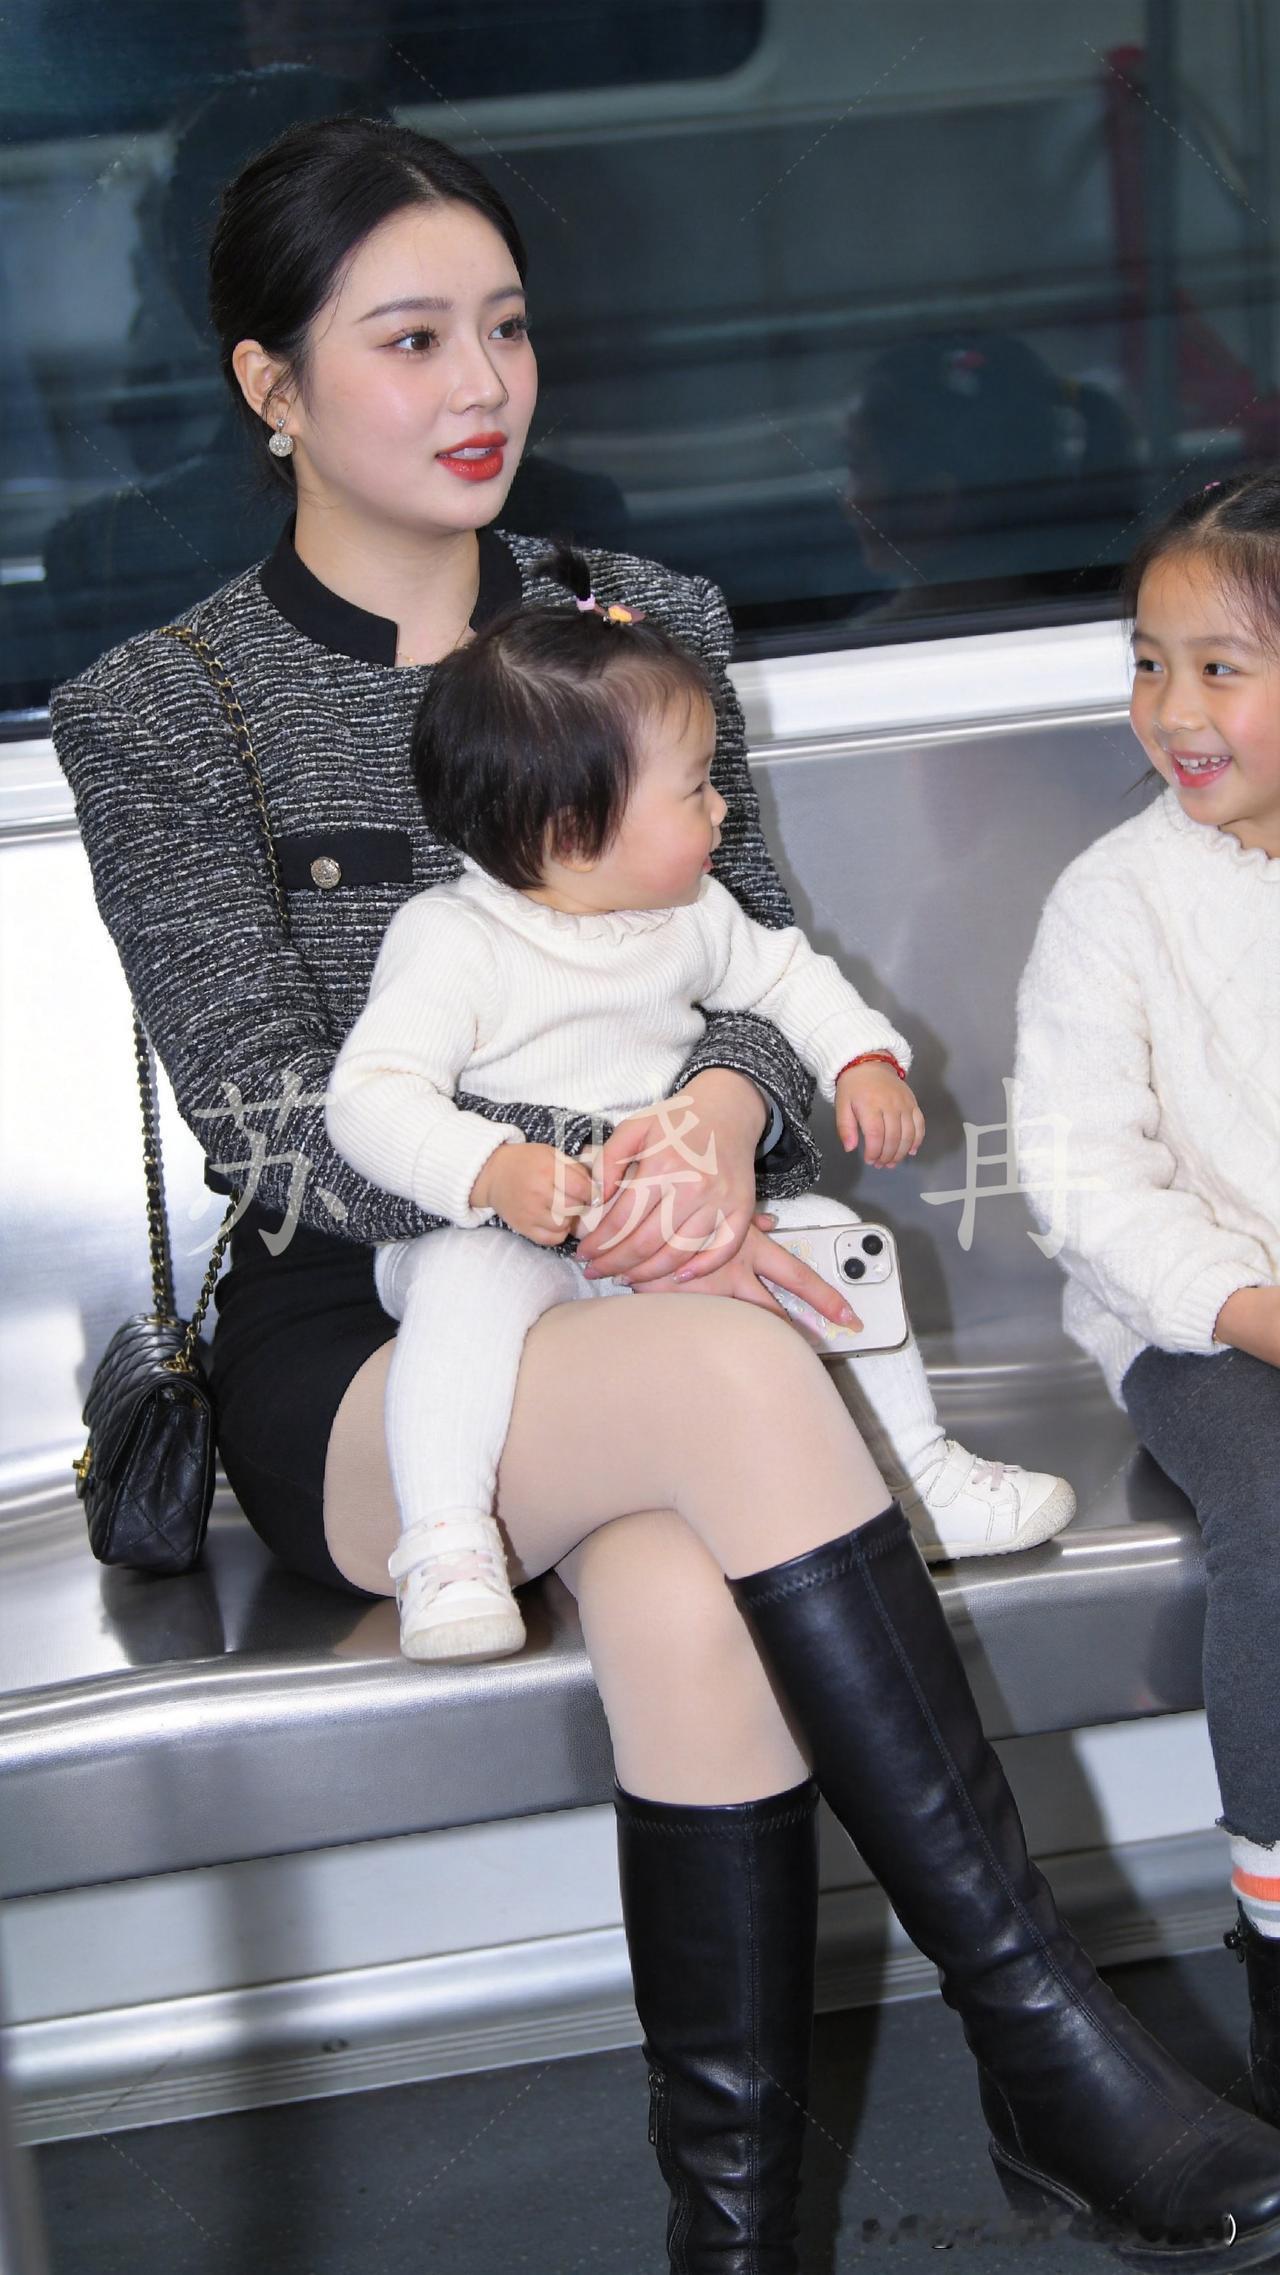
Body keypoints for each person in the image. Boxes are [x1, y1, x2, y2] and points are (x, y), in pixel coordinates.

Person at [49, 116, 1280, 2270]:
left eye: (506, 326)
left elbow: (764, 984)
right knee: (729, 1374)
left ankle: (736, 2234)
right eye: (410, 338)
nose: (482, 386)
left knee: (683, 1585)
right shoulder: (171, 713)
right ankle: (1043, 2038)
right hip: (384, 1350)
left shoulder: (651, 622)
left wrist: (715, 1119)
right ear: (269, 384)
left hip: (673, 1285)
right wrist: (586, 1190)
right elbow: (270, 1123)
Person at [325, 543, 1074, 1662]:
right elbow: (369, 1096)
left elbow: (785, 978)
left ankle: (913, 1474)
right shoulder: (453, 940)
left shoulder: (690, 911)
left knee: (829, 1236)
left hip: (688, 1217)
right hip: (513, 1232)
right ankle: (445, 1542)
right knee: (459, 1299)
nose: (723, 809)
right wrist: (488, 1170)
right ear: (574, 833)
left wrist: (860, 1061)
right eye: (695, 790)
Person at [1015, 467, 1280, 2132]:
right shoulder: (1116, 900)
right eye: (1148, 661)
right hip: (1198, 1321)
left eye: (1221, 668)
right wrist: (1249, 1308)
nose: (1173, 709)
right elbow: (1080, 1179)